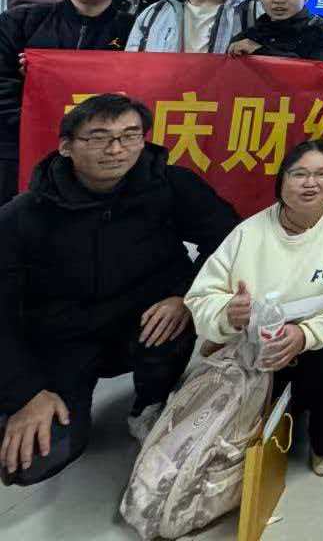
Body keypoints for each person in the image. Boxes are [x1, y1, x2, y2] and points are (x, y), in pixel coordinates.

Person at [0, 94, 237, 485]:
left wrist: (186, 296)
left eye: (130, 135)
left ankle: (150, 403)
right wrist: (26, 393)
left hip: (146, 324)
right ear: (66, 146)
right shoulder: (22, 216)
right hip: (63, 339)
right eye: (99, 137)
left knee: (167, 332)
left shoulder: (170, 185)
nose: (116, 149)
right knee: (32, 462)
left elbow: (230, 240)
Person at [185, 138, 323, 475]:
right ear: (282, 180)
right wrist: (228, 313)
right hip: (258, 338)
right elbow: (202, 296)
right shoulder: (249, 232)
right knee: (228, 424)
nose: (311, 183)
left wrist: (306, 334)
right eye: (299, 174)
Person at [0, 0, 133, 206]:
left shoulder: (134, 28)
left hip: (101, 144)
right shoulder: (21, 20)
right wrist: (31, 123)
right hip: (20, 141)